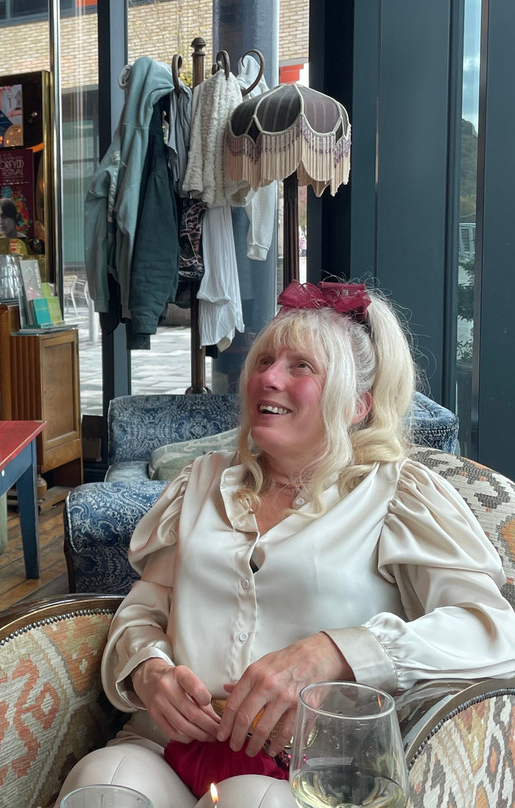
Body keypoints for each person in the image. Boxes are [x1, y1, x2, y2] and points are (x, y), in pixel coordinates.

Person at [59, 282, 515, 807]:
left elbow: (493, 631)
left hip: (318, 763)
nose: (268, 378)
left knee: (252, 801)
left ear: (357, 405)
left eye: (301, 367)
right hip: (172, 747)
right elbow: (145, 609)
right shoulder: (200, 483)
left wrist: (337, 652)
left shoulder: (396, 496)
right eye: (264, 361)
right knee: (101, 785)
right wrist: (148, 670)